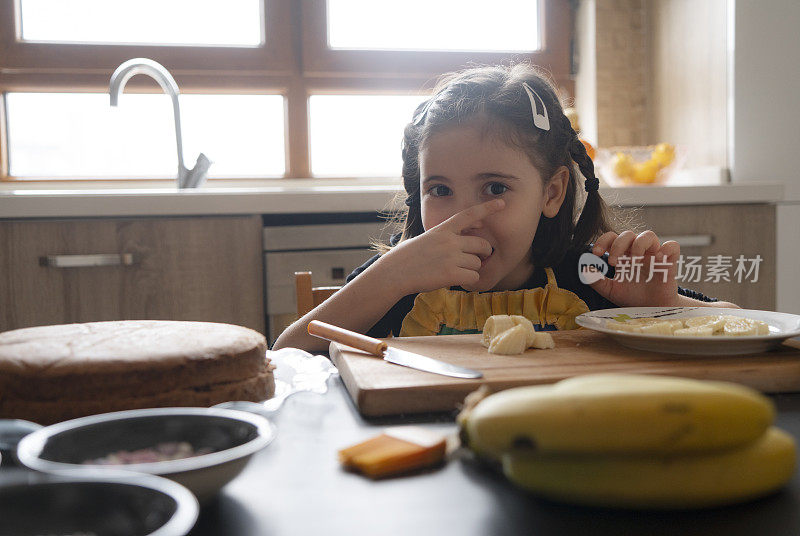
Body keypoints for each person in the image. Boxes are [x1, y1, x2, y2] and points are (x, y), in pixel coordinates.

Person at [273, 63, 736, 352]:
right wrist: (390, 274)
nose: (461, 216)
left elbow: (749, 329)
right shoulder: (400, 280)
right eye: (439, 190)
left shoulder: (592, 276)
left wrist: (664, 312)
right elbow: (287, 353)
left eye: (495, 188)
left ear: (552, 193)